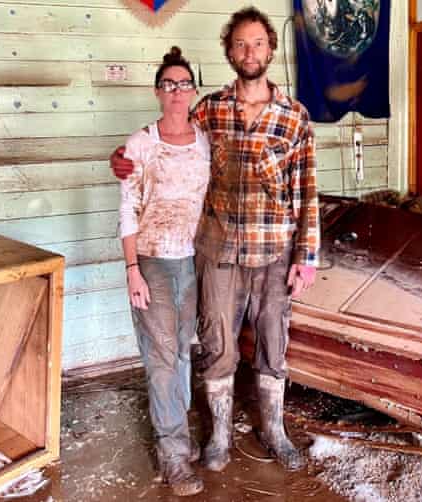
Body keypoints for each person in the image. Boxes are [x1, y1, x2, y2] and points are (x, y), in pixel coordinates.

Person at [113, 7, 319, 473]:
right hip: (219, 250)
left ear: (270, 49)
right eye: (241, 44)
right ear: (230, 51)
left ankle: (274, 429)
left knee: (272, 339)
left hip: (275, 249)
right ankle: (221, 437)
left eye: (258, 43)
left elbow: (307, 191)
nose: (250, 52)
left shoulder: (295, 117)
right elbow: (171, 141)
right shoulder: (209, 109)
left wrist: (306, 257)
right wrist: (125, 159)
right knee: (217, 341)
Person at [119, 46, 210, 496]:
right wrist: (132, 269)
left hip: (189, 261)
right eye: (169, 84)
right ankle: (173, 455)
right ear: (158, 92)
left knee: (180, 352)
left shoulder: (204, 141)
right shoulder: (140, 144)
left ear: (193, 91)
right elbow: (127, 210)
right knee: (159, 358)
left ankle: (179, 437)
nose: (177, 92)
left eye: (184, 84)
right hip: (151, 263)